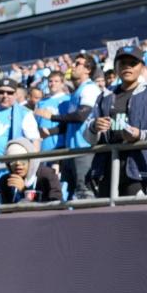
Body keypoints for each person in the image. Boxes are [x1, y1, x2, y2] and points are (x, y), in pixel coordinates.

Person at [83, 45, 147, 195]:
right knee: (107, 217)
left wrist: (140, 135)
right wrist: (94, 127)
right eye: (123, 63)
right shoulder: (104, 96)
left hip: (139, 170)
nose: (127, 67)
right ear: (116, 67)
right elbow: (88, 137)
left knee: (135, 216)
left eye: (133, 63)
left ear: (142, 67)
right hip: (106, 170)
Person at [35, 52, 99, 199]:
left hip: (85, 148)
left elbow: (80, 116)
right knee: (71, 193)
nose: (73, 66)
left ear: (87, 69)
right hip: (72, 149)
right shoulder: (77, 92)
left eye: (77, 64)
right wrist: (50, 132)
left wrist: (52, 116)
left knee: (84, 192)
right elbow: (69, 123)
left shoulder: (89, 88)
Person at [0, 138, 62, 203]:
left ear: (30, 160)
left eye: (22, 158)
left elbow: (56, 204)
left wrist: (24, 190)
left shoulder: (48, 175)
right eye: (12, 160)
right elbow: (5, 210)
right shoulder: (5, 181)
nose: (18, 163)